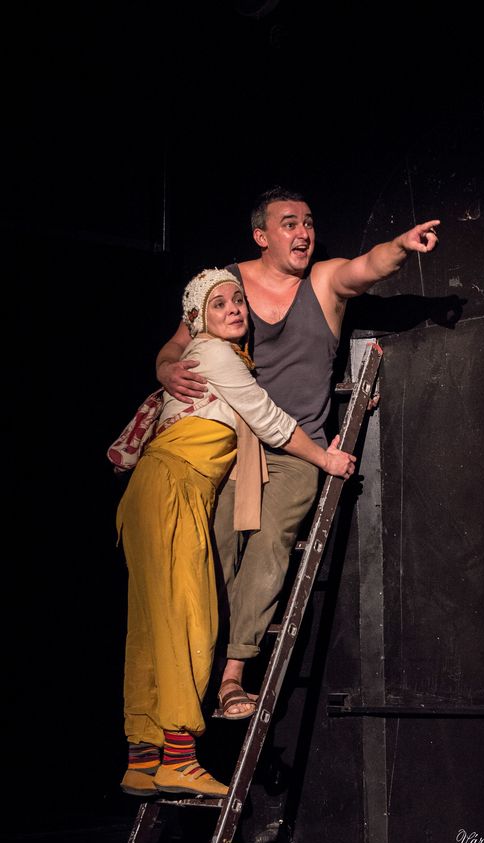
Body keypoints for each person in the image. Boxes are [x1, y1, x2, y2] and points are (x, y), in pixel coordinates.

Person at [156, 187, 439, 718]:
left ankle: (233, 676)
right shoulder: (228, 284)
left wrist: (402, 245)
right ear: (261, 236)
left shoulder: (323, 281)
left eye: (308, 222)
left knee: (270, 543)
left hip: (298, 451)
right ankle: (194, 673)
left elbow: (368, 266)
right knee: (211, 547)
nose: (303, 232)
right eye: (289, 223)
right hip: (232, 447)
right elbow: (178, 342)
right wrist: (165, 366)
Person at [117, 267, 355, 798]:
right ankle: (180, 758)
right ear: (198, 319)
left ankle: (142, 757)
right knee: (192, 620)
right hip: (174, 488)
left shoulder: (207, 356)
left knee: (151, 627)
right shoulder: (215, 354)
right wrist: (325, 458)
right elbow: (268, 418)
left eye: (238, 301)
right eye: (219, 304)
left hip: (155, 491)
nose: (234, 309)